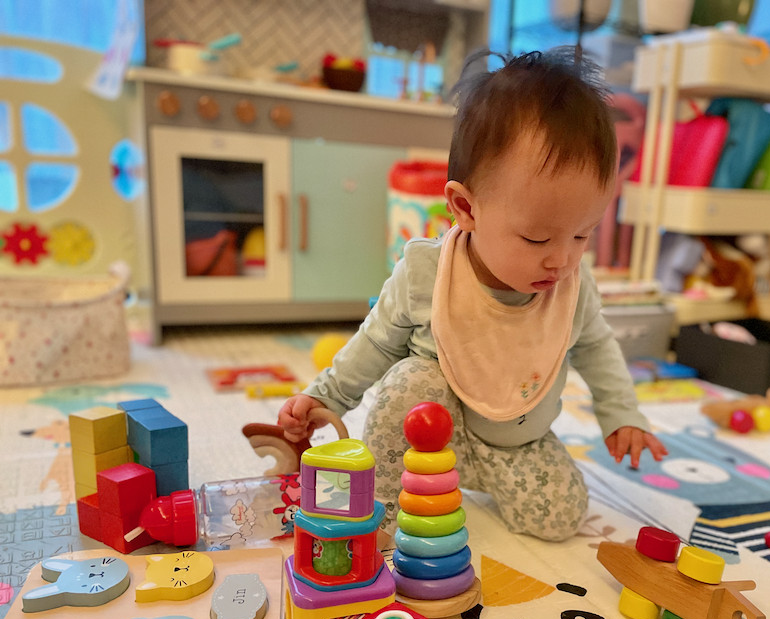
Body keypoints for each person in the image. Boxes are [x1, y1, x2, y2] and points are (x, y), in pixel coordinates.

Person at [278, 47, 667, 542]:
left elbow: (595, 346)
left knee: (560, 521)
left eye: (582, 234)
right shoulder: (427, 271)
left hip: (517, 444)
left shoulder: (572, 284)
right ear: (466, 207)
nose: (562, 259)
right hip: (425, 440)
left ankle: (477, 482)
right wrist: (324, 397)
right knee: (412, 379)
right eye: (537, 238)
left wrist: (622, 415)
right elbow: (374, 343)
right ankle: (392, 500)